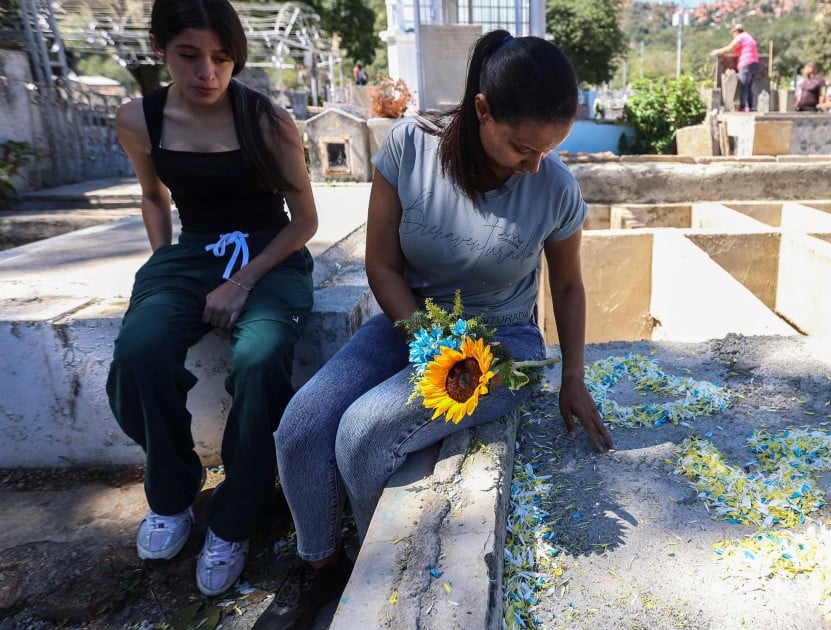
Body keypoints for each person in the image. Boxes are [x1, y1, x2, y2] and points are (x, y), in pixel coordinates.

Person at [254, 30, 615, 629]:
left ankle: (383, 578)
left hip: (502, 346)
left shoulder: (553, 187)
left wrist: (572, 376)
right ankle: (319, 566)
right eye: (522, 147)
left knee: (364, 434)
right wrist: (427, 340)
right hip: (408, 319)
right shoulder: (409, 149)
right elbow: (383, 265)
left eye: (548, 149)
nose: (534, 164)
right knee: (303, 425)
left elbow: (569, 286)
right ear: (482, 111)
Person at [108, 0, 318, 597]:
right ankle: (172, 492)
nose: (208, 73)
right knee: (141, 351)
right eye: (189, 56)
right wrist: (160, 264)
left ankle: (234, 517)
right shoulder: (138, 119)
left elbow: (303, 220)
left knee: (260, 356)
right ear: (159, 49)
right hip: (193, 251)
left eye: (222, 58)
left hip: (270, 252)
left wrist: (244, 280)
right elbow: (153, 197)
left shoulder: (267, 121)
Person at [710, 23, 760, 112]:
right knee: (749, 86)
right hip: (754, 63)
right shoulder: (748, 37)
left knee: (743, 86)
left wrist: (717, 51)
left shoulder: (740, 37)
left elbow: (730, 48)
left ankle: (742, 107)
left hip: (746, 63)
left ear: (736, 32)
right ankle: (751, 107)